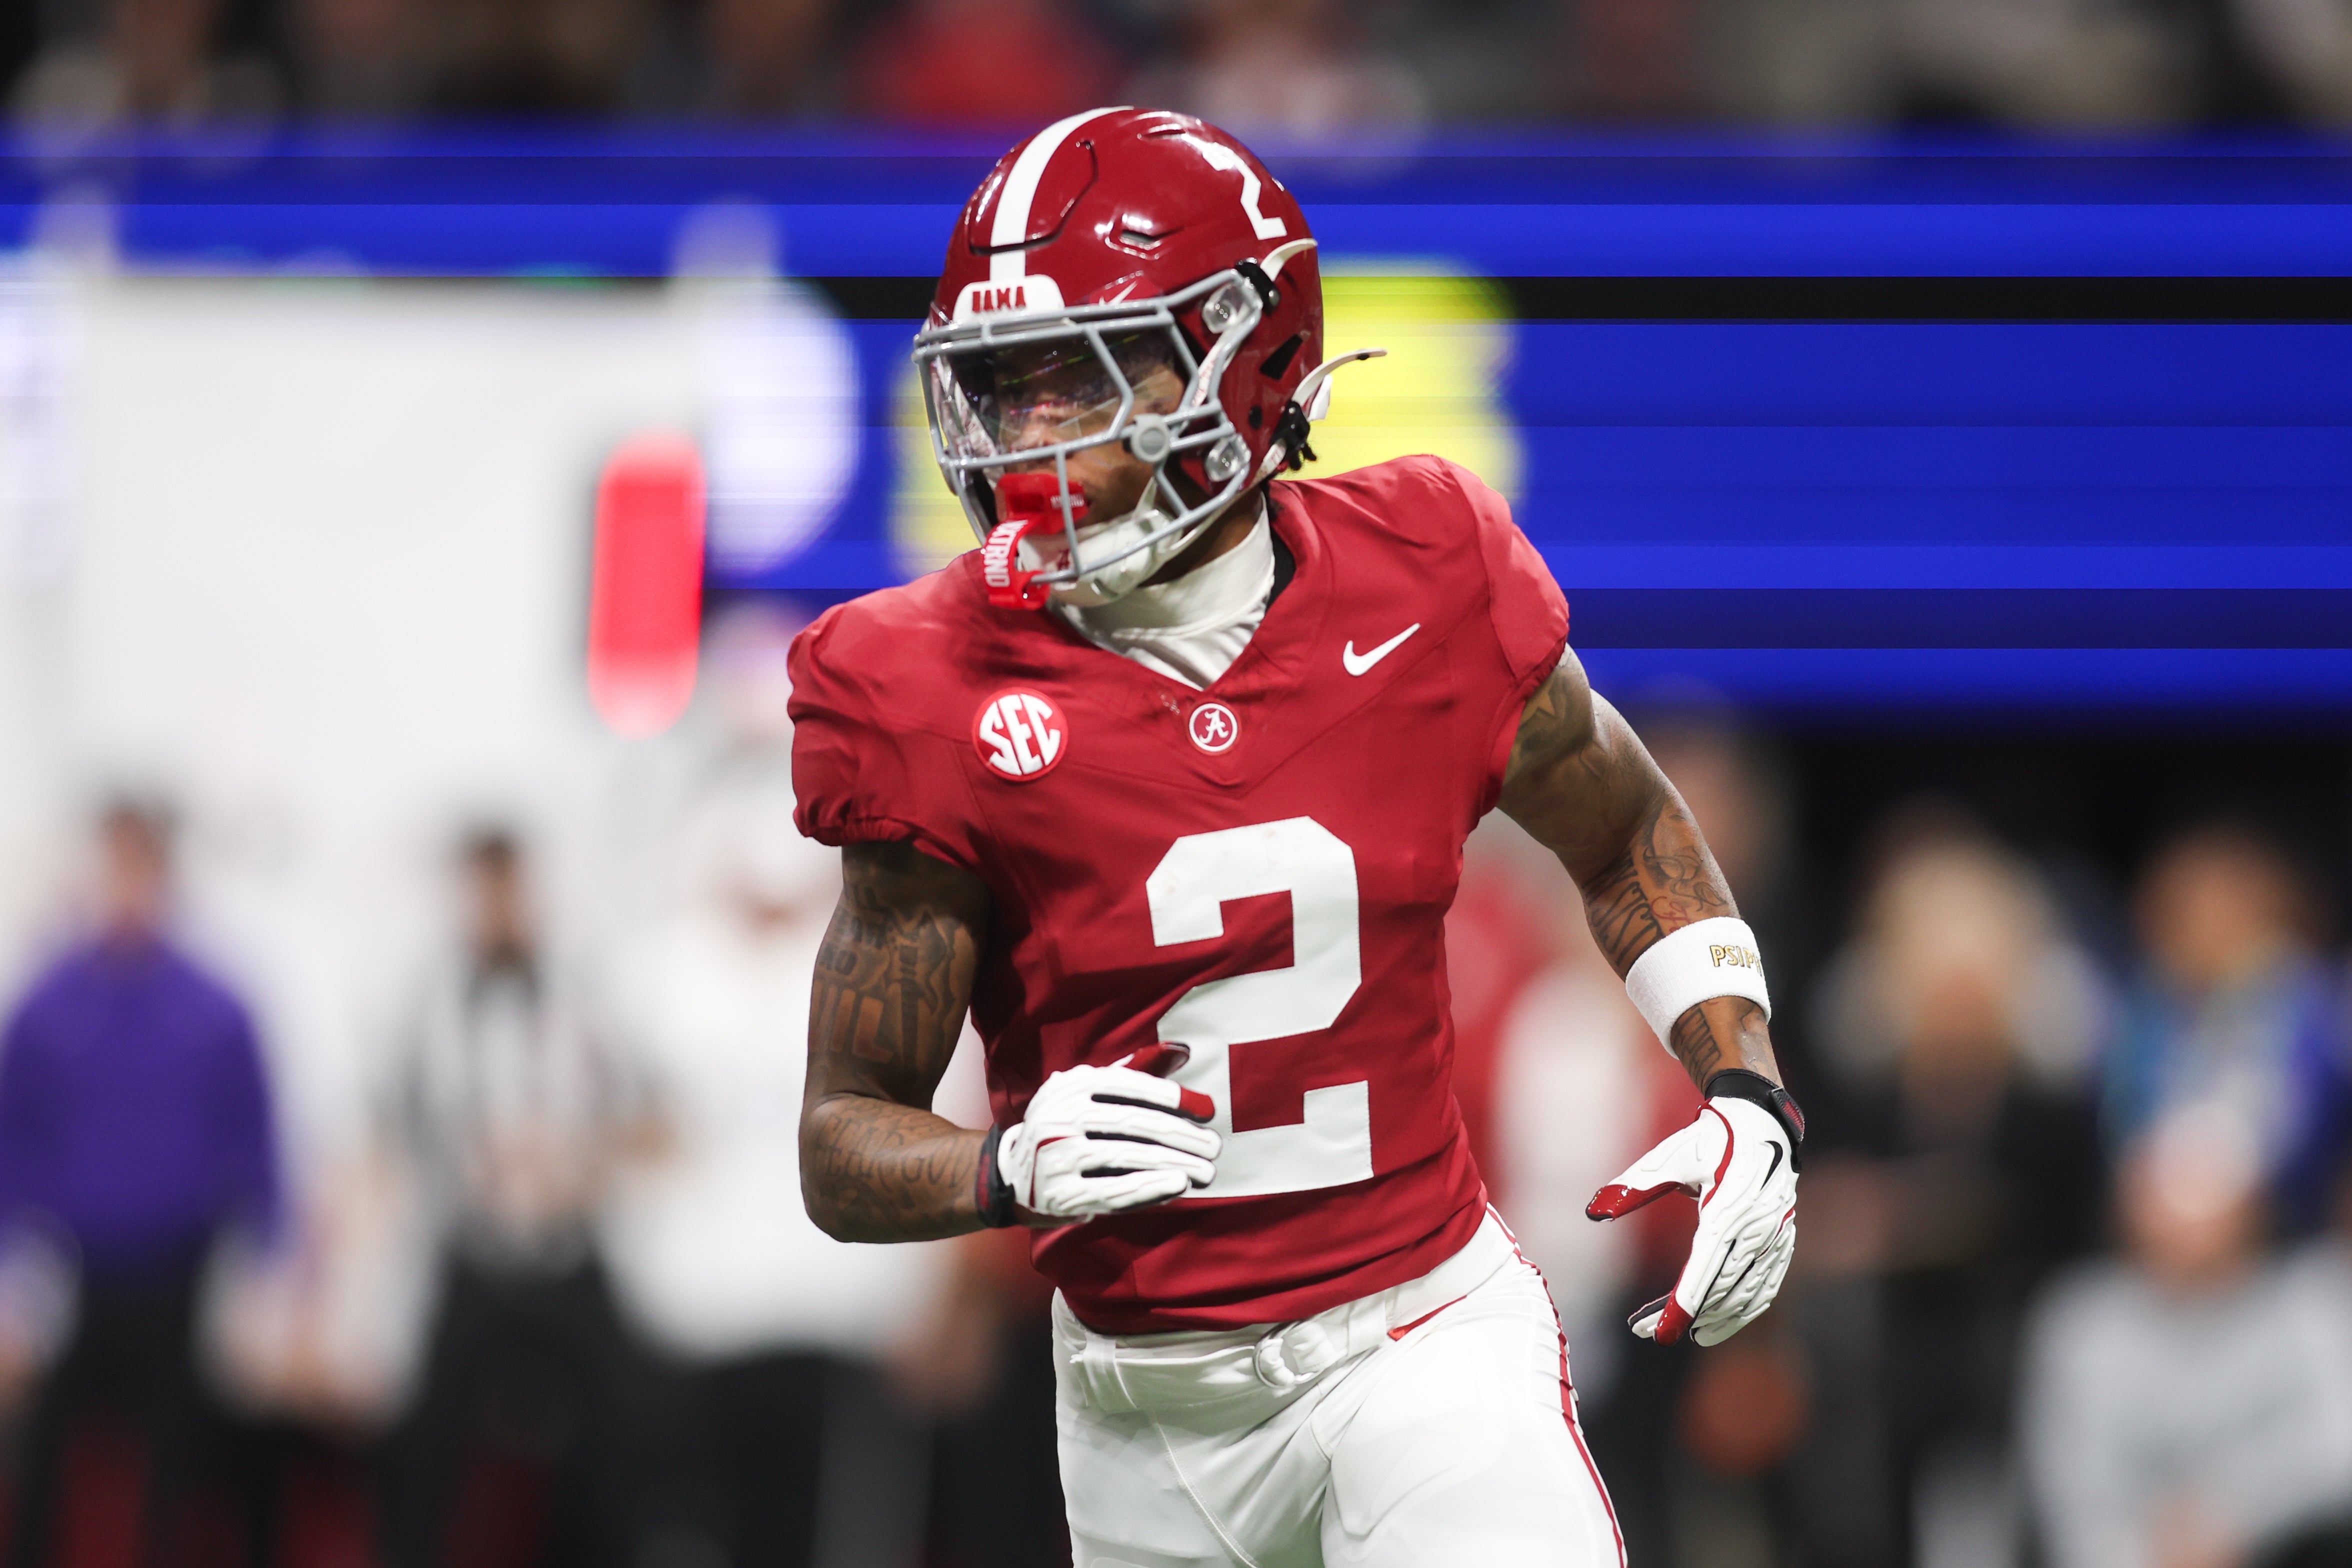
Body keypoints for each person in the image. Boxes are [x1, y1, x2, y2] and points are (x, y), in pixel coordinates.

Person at [788, 108, 1804, 1566]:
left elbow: (1619, 822)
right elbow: (840, 1140)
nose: (1035, 439)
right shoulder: (917, 684)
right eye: (1005, 387)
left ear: (1245, 350)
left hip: (1419, 1336)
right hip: (1145, 1412)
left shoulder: (1429, 565)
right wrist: (1000, 1165)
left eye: (1087, 374)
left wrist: (1745, 1088)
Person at [600, 776, 940, 1568]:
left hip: (838, 1317)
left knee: (826, 1530)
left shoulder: (876, 977)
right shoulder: (660, 975)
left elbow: (922, 1136)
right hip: (692, 1318)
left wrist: (931, 1291)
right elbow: (627, 1129)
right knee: (694, 1528)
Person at [0, 796, 283, 1568]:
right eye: (114, 868)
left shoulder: (217, 1007)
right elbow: (11, 1140)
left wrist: (268, 1274)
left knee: (182, 1473)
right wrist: (12, 1279)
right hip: (74, 1273)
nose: (127, 888)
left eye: (141, 869)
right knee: (42, 1468)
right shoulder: (44, 1005)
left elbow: (256, 1142)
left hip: (180, 1271)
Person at [378, 826, 645, 1568]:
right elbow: (390, 1132)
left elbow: (647, 1119)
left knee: (623, 1428)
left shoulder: (586, 998)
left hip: (566, 1254)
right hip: (475, 1254)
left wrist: (576, 1167)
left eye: (508, 890)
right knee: (420, 1442)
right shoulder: (427, 1007)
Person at [2022, 1103, 2352, 1568]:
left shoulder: (2313, 1302)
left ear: (2254, 1207)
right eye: (2170, 1193)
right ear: (2130, 1205)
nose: (2189, 1223)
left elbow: (2339, 1449)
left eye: (2210, 1192)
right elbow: (2072, 1491)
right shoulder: (2082, 1324)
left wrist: (2225, 1516)